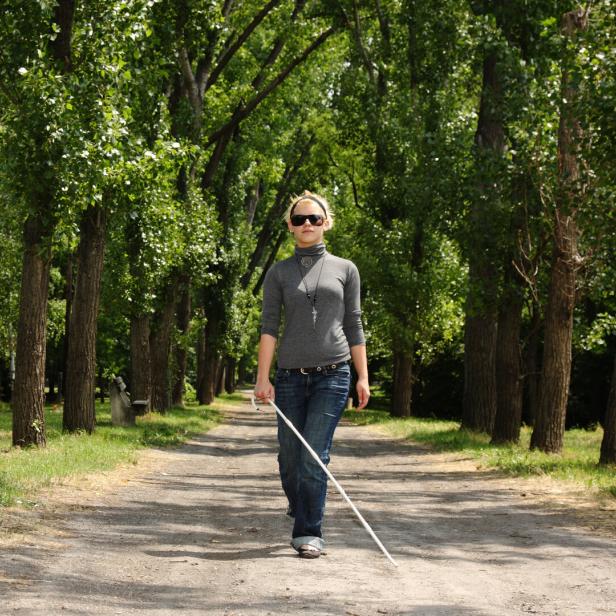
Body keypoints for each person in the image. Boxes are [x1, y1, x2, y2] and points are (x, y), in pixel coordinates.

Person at [254, 190, 370, 560]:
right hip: (289, 376)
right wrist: (263, 377)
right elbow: (269, 327)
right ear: (290, 226)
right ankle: (299, 502)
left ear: (326, 224)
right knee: (289, 457)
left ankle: (308, 532)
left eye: (314, 219)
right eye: (300, 219)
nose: (307, 224)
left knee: (314, 456)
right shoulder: (278, 272)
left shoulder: (345, 269)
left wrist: (362, 377)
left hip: (333, 375)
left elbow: (354, 324)